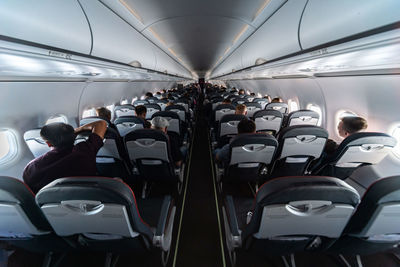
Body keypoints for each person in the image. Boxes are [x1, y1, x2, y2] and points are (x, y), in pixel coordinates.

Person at [23, 120, 107, 193]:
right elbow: (101, 124)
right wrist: (78, 129)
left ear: (48, 143)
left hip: (50, 208)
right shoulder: (84, 151)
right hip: (88, 197)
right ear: (74, 136)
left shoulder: (30, 168)